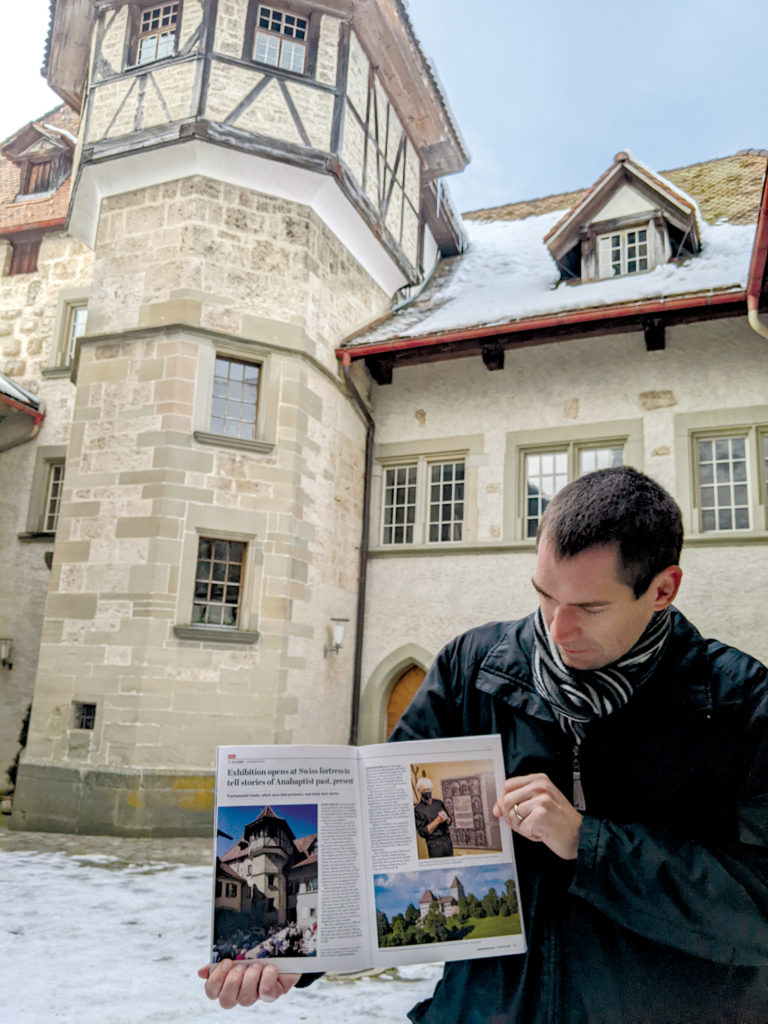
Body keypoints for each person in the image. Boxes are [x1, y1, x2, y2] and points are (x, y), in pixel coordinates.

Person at [200, 467, 768, 1020]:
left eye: (590, 608)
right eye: (545, 596)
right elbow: (382, 830)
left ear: (662, 589)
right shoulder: (472, 669)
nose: (557, 628)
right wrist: (309, 956)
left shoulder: (740, 702)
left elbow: (756, 906)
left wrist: (588, 844)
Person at [413, 776, 454, 857]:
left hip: (447, 842)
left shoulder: (439, 803)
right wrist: (438, 820)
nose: (427, 791)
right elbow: (422, 832)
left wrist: (447, 819)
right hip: (434, 846)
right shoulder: (418, 809)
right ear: (419, 791)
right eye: (424, 790)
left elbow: (449, 821)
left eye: (429, 789)